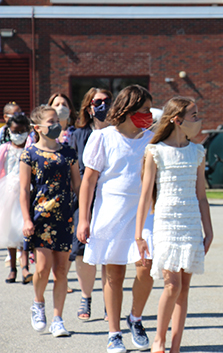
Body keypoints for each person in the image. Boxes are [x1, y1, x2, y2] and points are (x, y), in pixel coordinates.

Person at [76, 85, 155, 353]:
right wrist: (83, 220)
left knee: (147, 267)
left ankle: (135, 318)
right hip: (110, 213)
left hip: (145, 214)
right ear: (128, 110)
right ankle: (114, 332)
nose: (148, 115)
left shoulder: (152, 139)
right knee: (114, 274)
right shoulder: (103, 138)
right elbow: (88, 181)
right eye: (144, 110)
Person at [135, 97, 214, 353]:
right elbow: (146, 195)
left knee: (185, 287)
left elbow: (202, 196)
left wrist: (209, 231)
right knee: (172, 284)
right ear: (177, 120)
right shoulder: (155, 151)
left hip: (191, 222)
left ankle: (176, 346)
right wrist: (139, 235)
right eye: (194, 115)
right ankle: (159, 340)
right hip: (166, 222)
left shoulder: (198, 152)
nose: (198, 119)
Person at [19, 106, 81, 337]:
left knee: (62, 270)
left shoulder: (69, 152)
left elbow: (78, 186)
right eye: (51, 120)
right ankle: (38, 303)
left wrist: (83, 215)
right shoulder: (29, 154)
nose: (57, 123)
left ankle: (58, 318)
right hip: (41, 218)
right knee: (43, 268)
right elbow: (24, 189)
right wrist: (26, 219)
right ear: (38, 127)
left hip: (64, 217)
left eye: (58, 120)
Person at [68, 87, 113, 321]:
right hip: (85, 198)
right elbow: (75, 171)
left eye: (107, 100)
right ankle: (86, 297)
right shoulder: (79, 134)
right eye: (98, 101)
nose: (103, 105)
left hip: (111, 197)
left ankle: (110, 301)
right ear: (89, 106)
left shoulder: (119, 133)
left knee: (108, 251)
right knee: (83, 249)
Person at [0, 112, 33, 284]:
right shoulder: (4, 149)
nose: (18, 134)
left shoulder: (31, 149)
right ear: (9, 131)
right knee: (10, 229)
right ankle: (12, 267)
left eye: (22, 131)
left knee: (24, 230)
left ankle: (25, 266)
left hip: (26, 192)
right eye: (15, 131)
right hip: (7, 192)